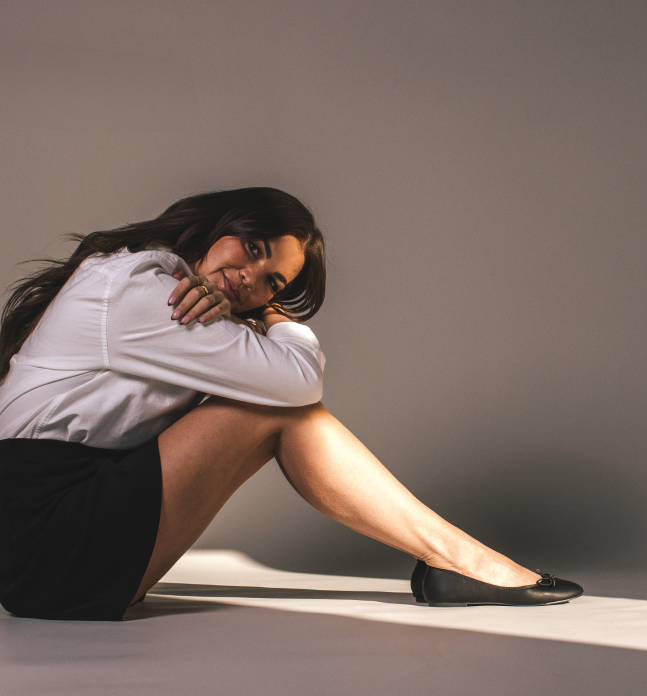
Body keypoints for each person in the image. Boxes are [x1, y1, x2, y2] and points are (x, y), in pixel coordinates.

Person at [0, 187, 583, 621]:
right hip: (44, 532)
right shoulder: (140, 288)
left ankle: (454, 560)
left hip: (52, 533)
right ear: (218, 225)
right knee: (280, 410)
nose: (247, 277)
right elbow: (298, 383)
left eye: (271, 283)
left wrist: (253, 315)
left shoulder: (164, 288)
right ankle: (458, 560)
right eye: (251, 248)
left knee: (278, 405)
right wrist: (276, 317)